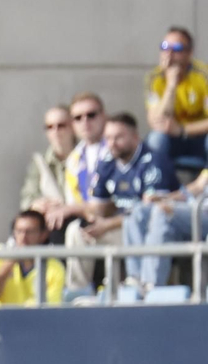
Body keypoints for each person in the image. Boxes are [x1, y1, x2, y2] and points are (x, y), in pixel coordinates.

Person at [84, 113, 180, 288]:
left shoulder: (153, 161)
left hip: (149, 230)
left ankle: (138, 282)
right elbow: (98, 207)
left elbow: (150, 211)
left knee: (134, 220)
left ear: (135, 137)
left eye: (118, 137)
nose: (112, 143)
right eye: (108, 138)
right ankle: (80, 291)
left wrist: (107, 224)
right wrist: (94, 219)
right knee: (78, 232)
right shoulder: (107, 162)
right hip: (117, 226)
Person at [62, 93, 110, 291]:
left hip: (119, 222)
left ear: (103, 116)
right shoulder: (73, 159)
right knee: (74, 231)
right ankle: (78, 294)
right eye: (78, 118)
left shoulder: (116, 146)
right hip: (90, 221)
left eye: (91, 115)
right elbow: (74, 200)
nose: (85, 121)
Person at [145, 26, 208, 167]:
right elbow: (156, 121)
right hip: (172, 137)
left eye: (177, 48)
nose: (169, 53)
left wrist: (182, 130)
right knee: (156, 139)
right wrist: (171, 85)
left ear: (189, 53)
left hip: (201, 136)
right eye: (164, 46)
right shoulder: (154, 78)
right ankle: (160, 186)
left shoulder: (204, 75)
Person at [0, 210, 65, 306]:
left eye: (30, 232)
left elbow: (48, 310)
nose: (23, 237)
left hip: (34, 320)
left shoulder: (55, 267)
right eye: (19, 231)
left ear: (43, 235)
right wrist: (7, 266)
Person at [22, 105, 78, 240]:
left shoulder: (85, 157)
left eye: (61, 125)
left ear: (72, 127)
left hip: (78, 220)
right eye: (50, 127)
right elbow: (27, 199)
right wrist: (37, 204)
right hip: (49, 222)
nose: (56, 131)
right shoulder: (39, 161)